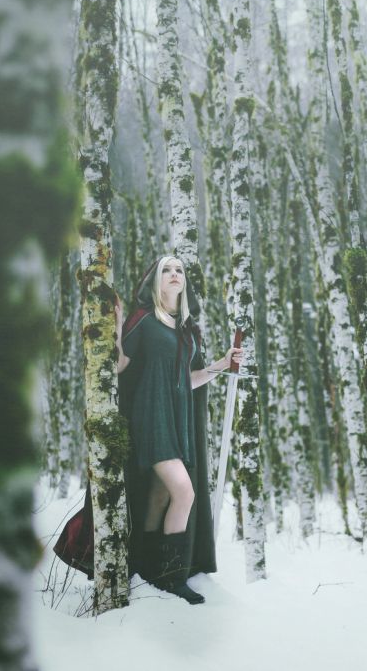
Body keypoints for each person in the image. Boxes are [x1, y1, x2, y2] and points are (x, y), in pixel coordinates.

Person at [115, 255, 242, 604]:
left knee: (160, 495)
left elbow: (186, 381)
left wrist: (222, 364)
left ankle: (145, 567)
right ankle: (171, 577)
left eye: (179, 270)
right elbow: (121, 364)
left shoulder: (186, 330)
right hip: (150, 415)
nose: (174, 275)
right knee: (184, 492)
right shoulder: (143, 320)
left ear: (185, 282)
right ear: (154, 281)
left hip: (177, 418)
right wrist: (114, 327)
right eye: (166, 270)